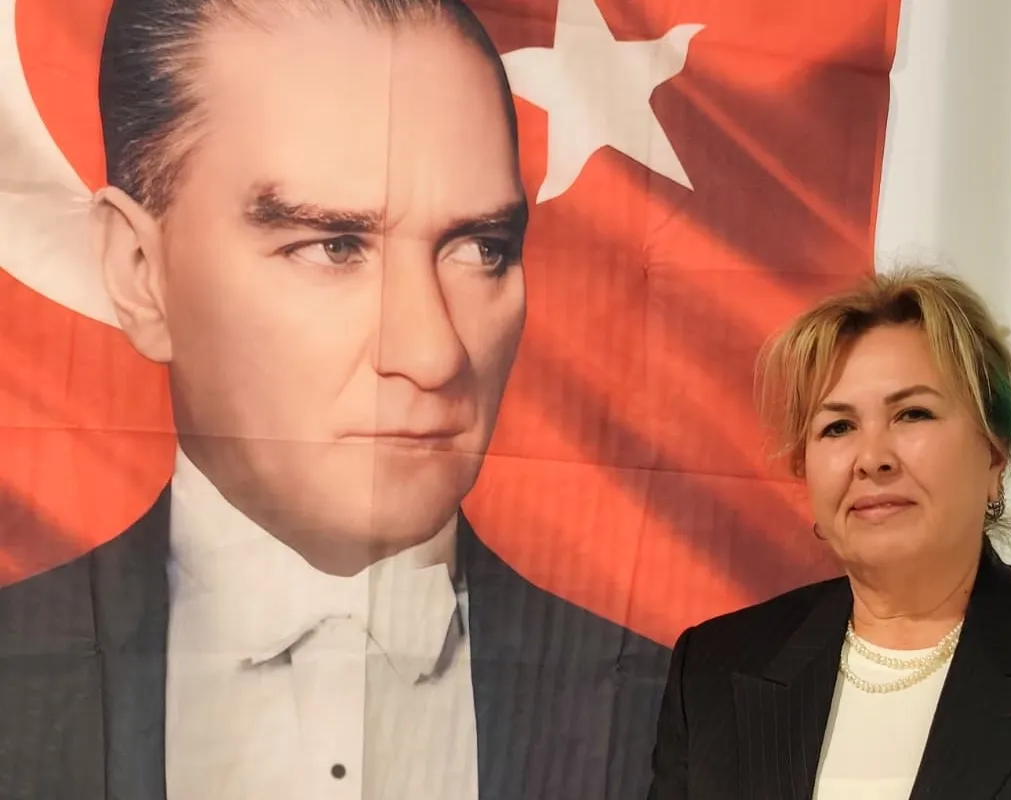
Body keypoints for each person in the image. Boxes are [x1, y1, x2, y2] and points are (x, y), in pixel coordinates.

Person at [0, 1, 670, 799]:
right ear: (141, 274)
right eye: (333, 246)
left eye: (480, 249)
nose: (432, 354)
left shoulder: (670, 710)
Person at [645, 267, 1011, 799]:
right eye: (838, 426)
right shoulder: (714, 667)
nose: (872, 459)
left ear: (994, 454)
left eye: (912, 414)